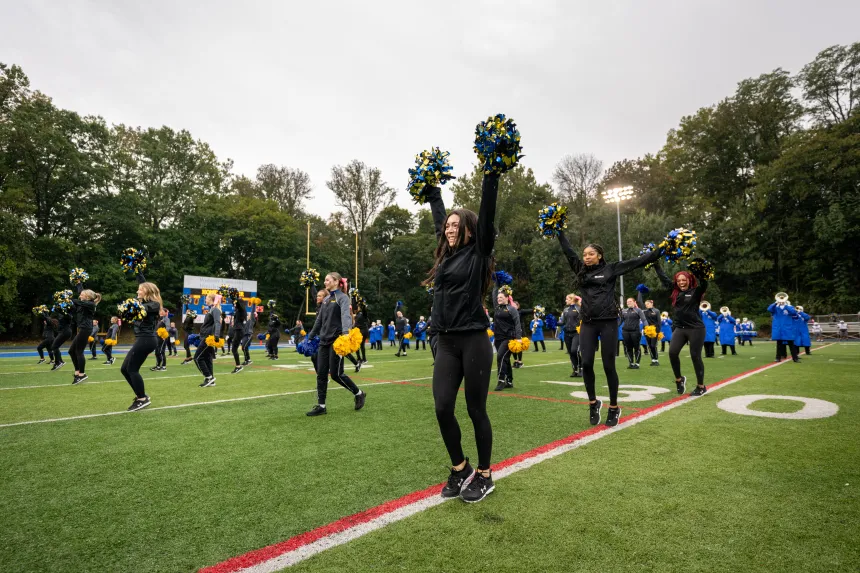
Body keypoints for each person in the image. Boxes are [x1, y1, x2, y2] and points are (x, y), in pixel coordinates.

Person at [423, 170, 499, 503]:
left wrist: (491, 172)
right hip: (446, 341)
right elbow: (439, 218)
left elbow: (488, 211)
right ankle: (460, 468)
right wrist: (432, 191)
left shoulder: (478, 253)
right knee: (442, 407)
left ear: (470, 230)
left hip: (474, 340)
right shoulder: (446, 256)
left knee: (475, 409)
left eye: (457, 225)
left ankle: (484, 473)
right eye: (448, 226)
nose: (450, 229)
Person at [555, 230, 662, 427]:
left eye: (591, 254)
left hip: (608, 322)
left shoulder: (611, 269)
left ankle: (613, 407)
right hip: (587, 322)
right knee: (586, 363)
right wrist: (558, 230)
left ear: (599, 255)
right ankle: (593, 403)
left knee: (608, 365)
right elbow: (567, 250)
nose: (586, 257)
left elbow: (637, 261)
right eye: (585, 254)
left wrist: (662, 249)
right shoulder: (580, 268)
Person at [305, 272, 367, 416]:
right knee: (321, 374)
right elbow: (319, 321)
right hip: (323, 341)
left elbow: (346, 316)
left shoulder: (343, 298)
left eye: (327, 280)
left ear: (336, 281)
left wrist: (346, 334)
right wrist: (310, 336)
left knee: (336, 374)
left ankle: (358, 393)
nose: (325, 282)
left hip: (336, 341)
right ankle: (321, 406)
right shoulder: (326, 299)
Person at [653, 264, 709, 395]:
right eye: (679, 280)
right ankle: (679, 380)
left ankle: (701, 386)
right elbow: (664, 279)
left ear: (689, 280)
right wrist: (656, 265)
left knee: (695, 356)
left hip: (696, 328)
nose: (681, 282)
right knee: (672, 353)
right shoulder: (675, 292)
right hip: (680, 328)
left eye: (684, 280)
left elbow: (704, 284)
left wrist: (700, 272)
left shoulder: (696, 292)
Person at [120, 277, 163, 411]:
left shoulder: (154, 304)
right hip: (142, 339)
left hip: (147, 339)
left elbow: (141, 307)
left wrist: (131, 306)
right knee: (124, 369)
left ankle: (142, 398)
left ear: (148, 292)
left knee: (132, 369)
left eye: (140, 289)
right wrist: (137, 270)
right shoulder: (143, 302)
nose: (137, 291)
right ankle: (141, 396)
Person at [492, 286, 522, 391]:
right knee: (505, 358)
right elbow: (494, 294)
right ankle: (509, 381)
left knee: (500, 356)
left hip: (509, 338)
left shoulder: (512, 309)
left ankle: (501, 381)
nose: (498, 299)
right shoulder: (497, 307)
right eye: (498, 298)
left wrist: (518, 338)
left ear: (506, 298)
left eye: (500, 297)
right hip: (498, 338)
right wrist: (496, 283)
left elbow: (517, 324)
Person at [69, 288, 102, 384]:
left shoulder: (90, 304)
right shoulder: (84, 304)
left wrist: (67, 298)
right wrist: (78, 283)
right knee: (71, 351)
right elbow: (77, 301)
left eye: (82, 295)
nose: (80, 296)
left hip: (85, 329)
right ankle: (77, 373)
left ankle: (82, 374)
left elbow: (77, 302)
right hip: (82, 329)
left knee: (79, 351)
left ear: (87, 297)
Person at [195, 294, 223, 386]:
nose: (205, 299)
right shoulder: (212, 309)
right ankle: (211, 381)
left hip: (208, 338)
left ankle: (208, 377)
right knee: (207, 358)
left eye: (206, 298)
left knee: (197, 358)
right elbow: (208, 325)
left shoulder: (215, 310)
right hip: (205, 336)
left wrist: (217, 335)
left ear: (211, 299)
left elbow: (217, 322)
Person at [768, 298, 800, 362]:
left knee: (791, 343)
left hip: (787, 328)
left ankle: (795, 358)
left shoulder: (789, 307)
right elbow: (769, 309)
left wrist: (785, 305)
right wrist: (775, 303)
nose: (781, 301)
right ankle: (778, 358)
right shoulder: (776, 308)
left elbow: (794, 312)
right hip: (779, 328)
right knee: (779, 344)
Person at [620, 298, 646, 370]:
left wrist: (647, 327)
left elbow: (644, 319)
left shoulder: (638, 310)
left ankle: (637, 364)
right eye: (627, 301)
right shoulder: (624, 311)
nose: (628, 303)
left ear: (634, 302)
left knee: (636, 348)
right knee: (628, 348)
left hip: (635, 331)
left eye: (630, 301)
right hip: (625, 332)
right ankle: (631, 363)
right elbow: (620, 321)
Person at [637, 293, 661, 366]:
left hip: (654, 330)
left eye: (647, 304)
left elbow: (659, 321)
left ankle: (656, 359)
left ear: (651, 304)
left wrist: (658, 331)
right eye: (645, 304)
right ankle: (653, 360)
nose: (646, 305)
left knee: (653, 345)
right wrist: (640, 292)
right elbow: (639, 300)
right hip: (647, 330)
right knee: (650, 346)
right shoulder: (644, 311)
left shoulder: (656, 311)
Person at [561, 294, 582, 377]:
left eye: (567, 299)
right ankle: (575, 370)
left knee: (574, 350)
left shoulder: (579, 308)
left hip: (576, 333)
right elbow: (562, 321)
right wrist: (554, 323)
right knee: (571, 353)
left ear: (572, 300)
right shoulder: (565, 310)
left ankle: (581, 368)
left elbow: (583, 320)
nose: (566, 301)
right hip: (567, 333)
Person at [50, 307, 73, 371]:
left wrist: (60, 310)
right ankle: (60, 361)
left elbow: (67, 316)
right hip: (63, 331)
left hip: (65, 331)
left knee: (54, 346)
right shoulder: (62, 314)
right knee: (55, 346)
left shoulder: (68, 315)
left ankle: (58, 362)